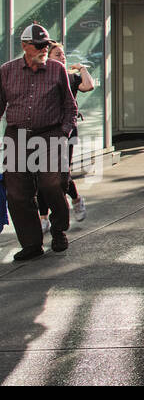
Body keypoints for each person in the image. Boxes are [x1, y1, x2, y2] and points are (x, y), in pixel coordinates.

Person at [0, 24, 79, 260]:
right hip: (17, 135)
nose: (45, 49)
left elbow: (70, 106)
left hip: (51, 133)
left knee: (52, 184)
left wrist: (64, 133)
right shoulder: (6, 71)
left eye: (47, 45)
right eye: (39, 45)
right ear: (24, 46)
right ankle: (32, 244)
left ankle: (58, 230)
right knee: (16, 192)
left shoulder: (57, 70)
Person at [37, 42, 93, 229]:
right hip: (43, 131)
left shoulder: (71, 77)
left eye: (63, 54)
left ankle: (76, 199)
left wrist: (82, 68)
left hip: (66, 130)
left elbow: (88, 86)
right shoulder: (42, 76)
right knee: (40, 173)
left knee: (61, 173)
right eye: (57, 55)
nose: (62, 57)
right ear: (48, 58)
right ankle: (43, 217)